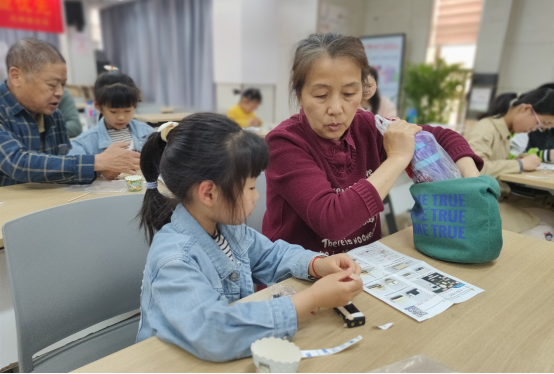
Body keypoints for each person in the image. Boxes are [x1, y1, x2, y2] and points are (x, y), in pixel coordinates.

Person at [136, 113, 363, 362]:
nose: (257, 197)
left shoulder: (227, 228)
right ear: (209, 193)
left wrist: (316, 264)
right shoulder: (173, 260)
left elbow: (270, 256)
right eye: (251, 188)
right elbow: (216, 332)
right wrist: (311, 300)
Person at [263, 33, 483, 255]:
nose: (336, 108)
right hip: (296, 278)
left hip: (364, 266)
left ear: (363, 90)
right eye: (321, 95)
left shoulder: (368, 126)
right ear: (300, 95)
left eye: (349, 93)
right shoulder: (283, 143)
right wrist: (397, 157)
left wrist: (473, 182)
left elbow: (443, 137)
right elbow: (332, 222)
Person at [0, 38, 140, 187]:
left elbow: (62, 165)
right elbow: (17, 163)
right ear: (16, 76)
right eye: (52, 85)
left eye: (63, 84)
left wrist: (100, 169)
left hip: (48, 202)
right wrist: (97, 162)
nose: (60, 92)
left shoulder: (55, 117)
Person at [468, 88, 554, 234]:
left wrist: (517, 160)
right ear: (526, 109)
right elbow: (473, 169)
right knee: (545, 229)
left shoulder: (505, 132)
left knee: (549, 203)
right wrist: (519, 164)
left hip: (500, 197)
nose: (534, 129)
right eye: (542, 123)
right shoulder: (487, 127)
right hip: (484, 202)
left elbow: (494, 159)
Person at [69, 71, 154, 179]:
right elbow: (69, 167)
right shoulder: (85, 142)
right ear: (98, 106)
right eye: (113, 111)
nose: (121, 117)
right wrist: (99, 169)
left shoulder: (147, 133)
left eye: (127, 110)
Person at [510, 88, 554, 163]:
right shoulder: (522, 126)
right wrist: (544, 155)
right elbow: (513, 155)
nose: (533, 128)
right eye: (543, 122)